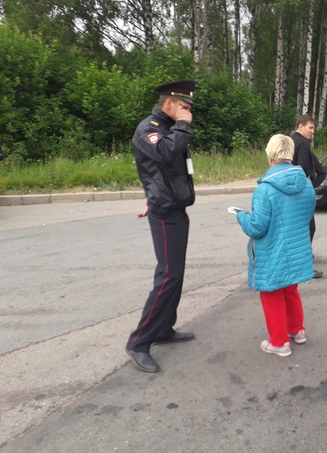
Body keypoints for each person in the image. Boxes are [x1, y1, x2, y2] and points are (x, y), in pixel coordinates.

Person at [125, 80, 198, 373]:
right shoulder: (149, 129)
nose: (188, 112)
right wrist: (182, 124)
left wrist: (150, 193)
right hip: (165, 213)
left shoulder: (168, 126)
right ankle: (139, 341)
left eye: (189, 108)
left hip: (174, 207)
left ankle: (164, 328)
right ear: (169, 102)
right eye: (184, 106)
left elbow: (158, 170)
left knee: (175, 275)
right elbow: (165, 154)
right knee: (168, 276)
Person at [235, 134, 315, 357]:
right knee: (290, 289)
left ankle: (279, 342)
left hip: (272, 251)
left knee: (271, 293)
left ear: (270, 157)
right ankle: (297, 330)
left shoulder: (265, 189)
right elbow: (306, 216)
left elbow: (257, 227)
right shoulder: (306, 184)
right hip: (295, 248)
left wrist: (242, 216)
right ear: (290, 155)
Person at [291, 115, 326, 279]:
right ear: (300, 126)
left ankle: (297, 259)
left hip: (289, 190)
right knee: (308, 228)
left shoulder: (289, 140)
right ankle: (303, 264)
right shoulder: (303, 143)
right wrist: (307, 188)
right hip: (300, 193)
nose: (312, 131)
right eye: (310, 128)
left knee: (296, 228)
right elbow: (303, 168)